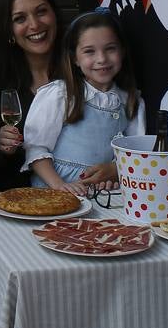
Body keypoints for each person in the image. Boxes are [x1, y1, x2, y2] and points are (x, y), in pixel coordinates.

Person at [22, 10, 145, 195]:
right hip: (53, 193)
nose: (102, 59)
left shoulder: (131, 101)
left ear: (123, 51)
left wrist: (115, 170)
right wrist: (59, 185)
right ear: (75, 58)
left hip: (104, 196)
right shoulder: (61, 95)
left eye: (110, 48)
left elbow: (135, 155)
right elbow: (36, 149)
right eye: (89, 51)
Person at [0, 0, 68, 190]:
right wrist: (2, 149)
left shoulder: (82, 69)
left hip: (83, 192)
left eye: (41, 12)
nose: (35, 25)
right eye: (20, 19)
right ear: (9, 30)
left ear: (54, 14)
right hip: (20, 199)